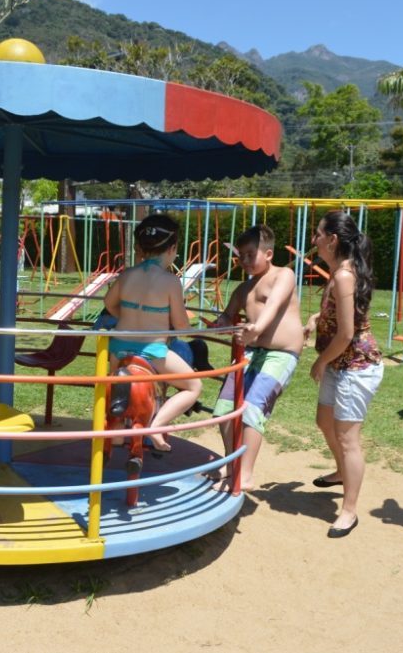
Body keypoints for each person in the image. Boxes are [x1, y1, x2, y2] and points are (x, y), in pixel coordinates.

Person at [304, 211, 383, 539]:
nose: (314, 240)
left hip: (355, 367)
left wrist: (320, 362)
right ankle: (341, 472)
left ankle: (349, 511)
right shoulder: (339, 272)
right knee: (325, 421)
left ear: (332, 239)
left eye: (318, 234)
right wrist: (315, 319)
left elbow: (347, 333)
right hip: (341, 364)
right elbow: (339, 315)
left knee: (349, 439)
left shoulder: (345, 276)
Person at [209, 225, 302, 492]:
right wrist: (221, 322)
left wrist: (257, 328)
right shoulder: (243, 289)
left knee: (252, 409)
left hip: (280, 354)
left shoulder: (284, 275)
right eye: (241, 256)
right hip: (251, 352)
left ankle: (245, 474)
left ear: (268, 253)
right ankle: (232, 464)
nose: (245, 260)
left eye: (251, 254)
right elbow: (228, 314)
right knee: (224, 408)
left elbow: (273, 305)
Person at [103, 213, 201, 453]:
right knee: (193, 386)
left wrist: (127, 316)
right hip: (152, 351)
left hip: (118, 348)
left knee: (113, 387)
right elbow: (181, 326)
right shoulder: (170, 281)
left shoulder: (127, 275)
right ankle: (157, 425)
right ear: (172, 249)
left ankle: (115, 428)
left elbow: (109, 304)